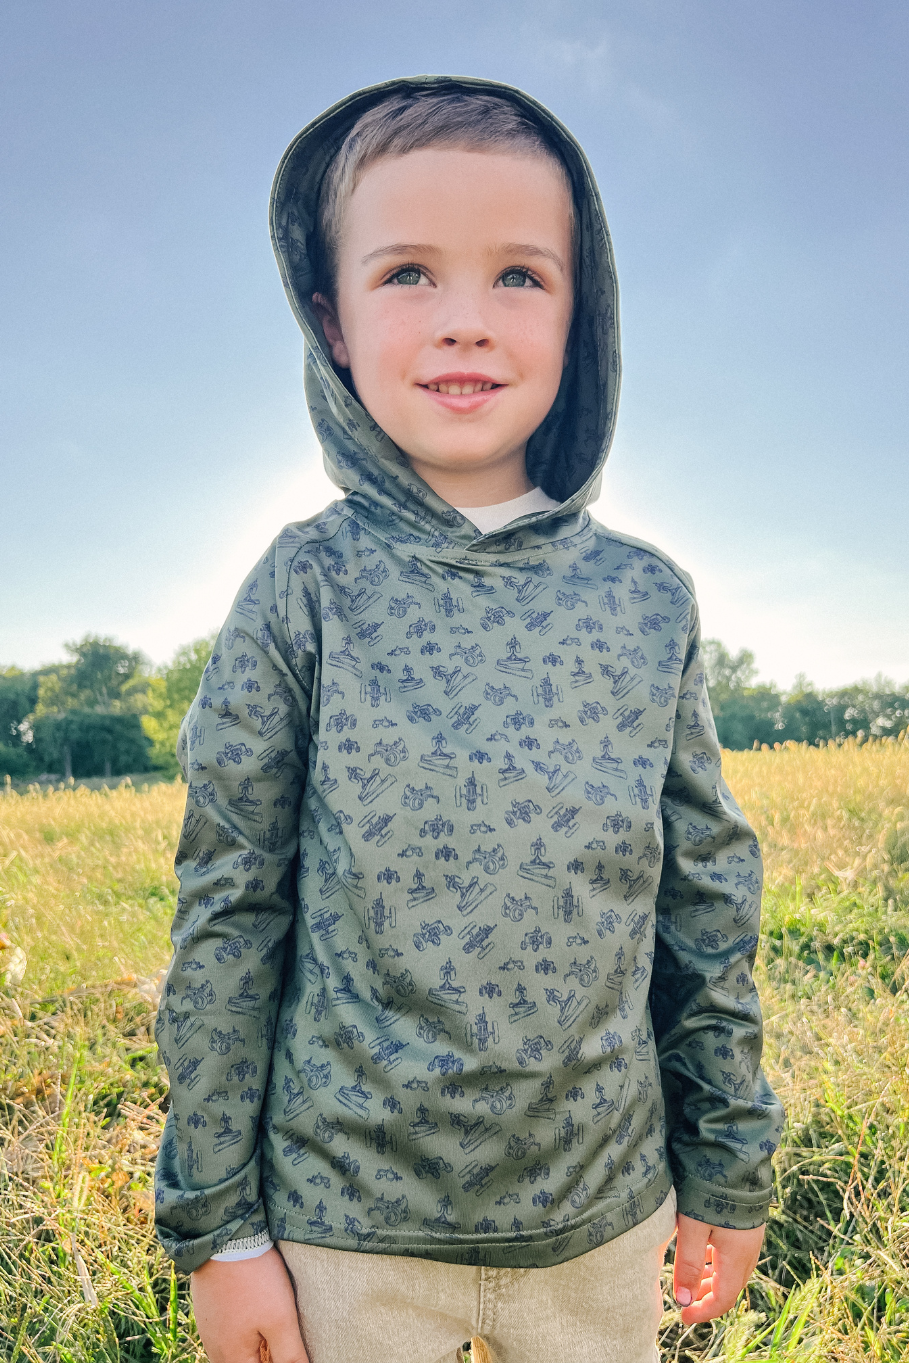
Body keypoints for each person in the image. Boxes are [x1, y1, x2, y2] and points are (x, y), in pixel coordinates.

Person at [154, 76, 785, 1363]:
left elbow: (705, 903)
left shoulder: (648, 601)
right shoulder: (303, 589)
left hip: (601, 1222)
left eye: (518, 276)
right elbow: (228, 912)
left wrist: (727, 1165)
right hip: (344, 1235)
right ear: (330, 319)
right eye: (407, 275)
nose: (465, 324)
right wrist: (220, 1232)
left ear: (582, 309)